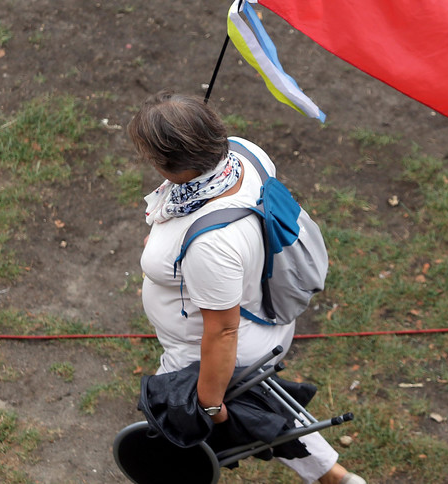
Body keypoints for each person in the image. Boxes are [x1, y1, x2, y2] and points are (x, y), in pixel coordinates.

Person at [129, 91, 364, 484]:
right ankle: (336, 479)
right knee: (260, 404)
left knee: (170, 425)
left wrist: (206, 405)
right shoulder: (243, 153)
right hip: (264, 313)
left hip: (207, 349)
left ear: (168, 164)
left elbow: (222, 331)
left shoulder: (210, 245)